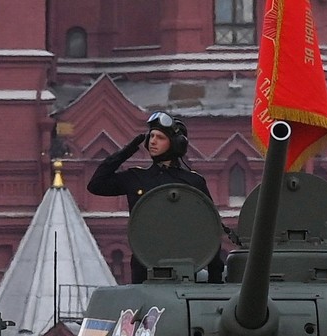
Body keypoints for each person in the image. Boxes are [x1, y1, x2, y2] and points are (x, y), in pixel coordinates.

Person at [87, 111, 224, 284]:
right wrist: (125, 152)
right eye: (151, 136)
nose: (152, 141)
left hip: (185, 267)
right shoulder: (136, 178)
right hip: (144, 267)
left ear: (175, 144)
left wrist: (215, 278)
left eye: (160, 137)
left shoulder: (192, 182)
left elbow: (209, 228)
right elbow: (96, 185)